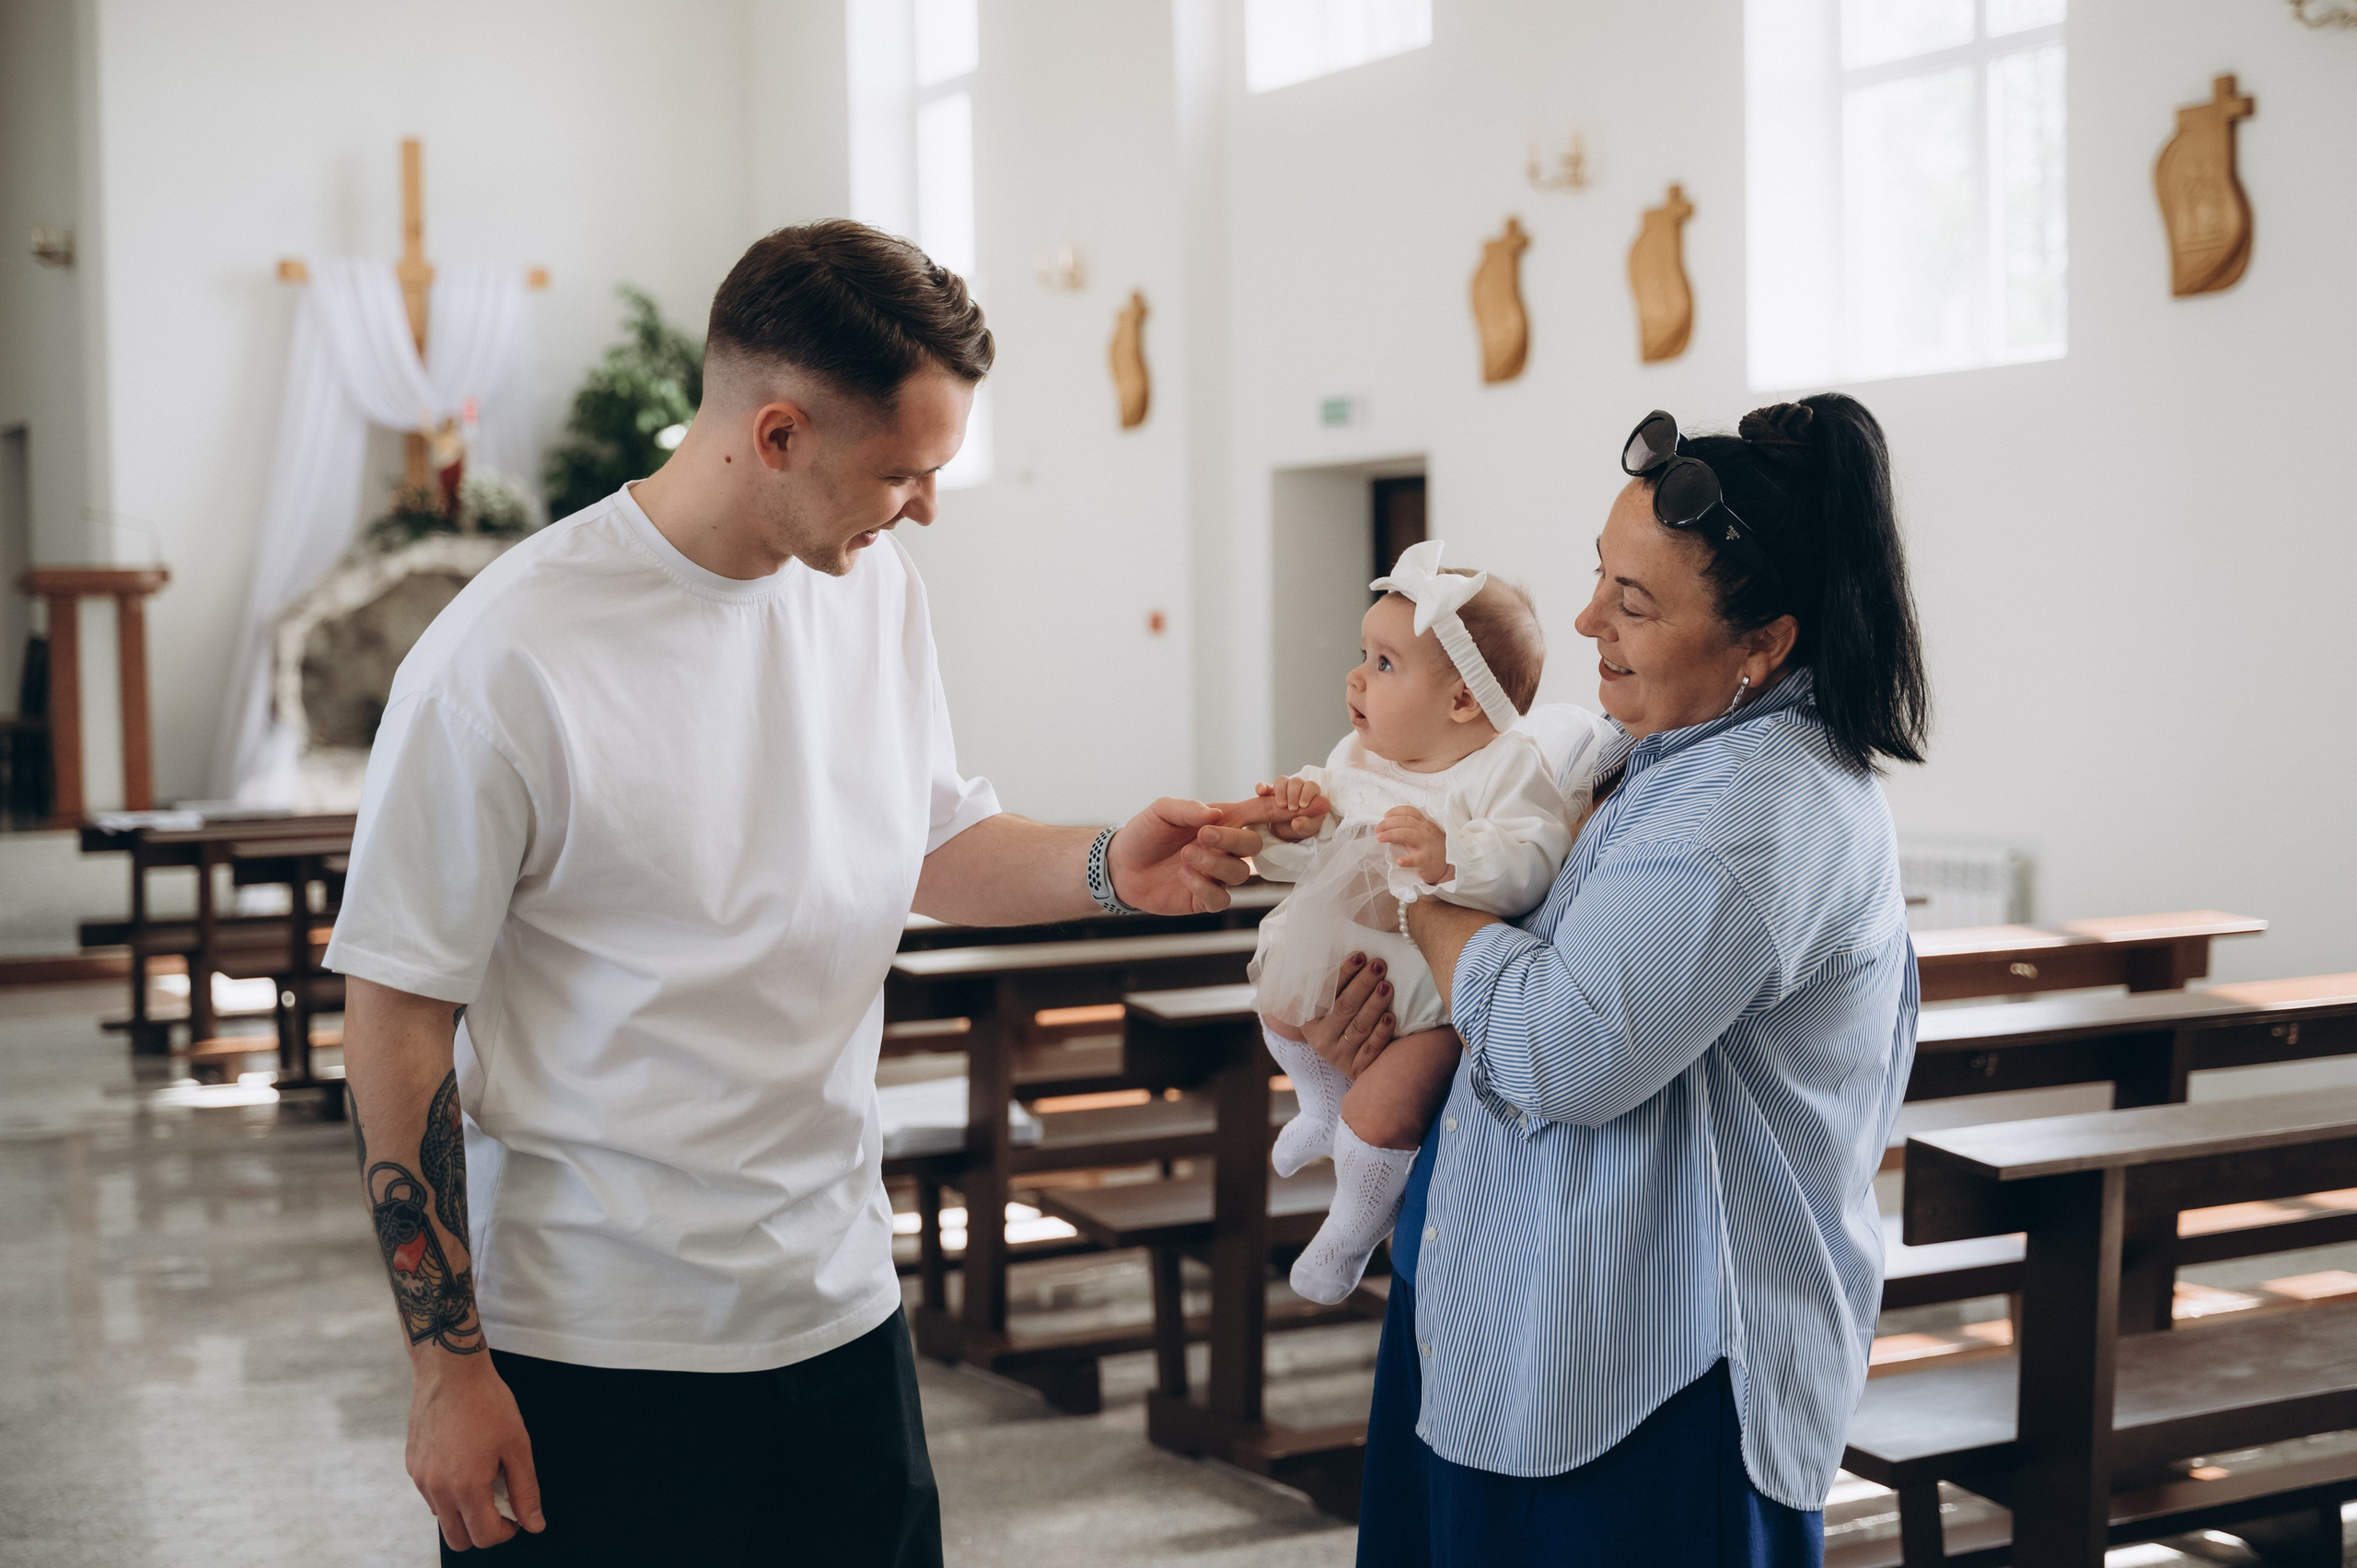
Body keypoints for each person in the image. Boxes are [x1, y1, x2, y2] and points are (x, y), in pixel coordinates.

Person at [326, 221, 1271, 1566]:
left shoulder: (871, 590)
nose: (927, 507)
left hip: (837, 1312)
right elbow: (397, 1011)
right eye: (904, 472)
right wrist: (445, 1368)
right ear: (776, 434)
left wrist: (1112, 864)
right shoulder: (505, 661)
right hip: (598, 1345)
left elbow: (929, 841)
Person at [1296, 397, 1929, 1567]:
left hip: (1642, 1371)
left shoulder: (1754, 808)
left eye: (1632, 604)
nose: (1587, 621)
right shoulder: (1663, 751)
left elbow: (1561, 1051)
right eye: (1599, 577)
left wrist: (1422, 898)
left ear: (1765, 644)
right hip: (1518, 1318)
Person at [1236, 540, 1596, 1305]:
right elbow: (1323, 858)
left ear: (1463, 700)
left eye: (1385, 664)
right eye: (1363, 654)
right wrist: (1291, 825)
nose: (1356, 677)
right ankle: (1315, 1103)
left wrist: (1450, 854)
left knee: (1382, 1113)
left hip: (1434, 1001)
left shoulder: (1507, 768)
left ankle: (1346, 1237)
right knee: (1279, 1000)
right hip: (1352, 969)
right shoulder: (1359, 756)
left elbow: (1534, 857)